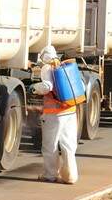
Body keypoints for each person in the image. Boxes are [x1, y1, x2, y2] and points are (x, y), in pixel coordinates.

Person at [31, 46, 78, 184]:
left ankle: (50, 174)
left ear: (44, 56)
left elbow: (47, 86)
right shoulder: (65, 66)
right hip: (70, 110)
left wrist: (34, 88)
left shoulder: (47, 67)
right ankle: (70, 176)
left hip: (54, 113)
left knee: (49, 145)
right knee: (68, 144)